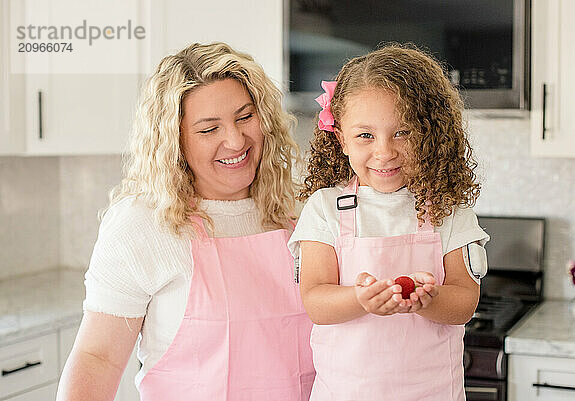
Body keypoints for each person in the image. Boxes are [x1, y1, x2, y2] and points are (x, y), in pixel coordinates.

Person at [57, 42, 315, 401]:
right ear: (174, 142)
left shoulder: (302, 211)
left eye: (244, 117)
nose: (236, 140)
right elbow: (96, 358)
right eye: (210, 129)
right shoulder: (143, 224)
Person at [288, 43, 489, 401]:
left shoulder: (449, 209)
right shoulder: (324, 208)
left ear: (430, 133)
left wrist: (430, 298)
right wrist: (361, 299)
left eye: (403, 132)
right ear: (341, 139)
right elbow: (316, 301)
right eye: (365, 135)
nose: (384, 151)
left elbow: (463, 304)